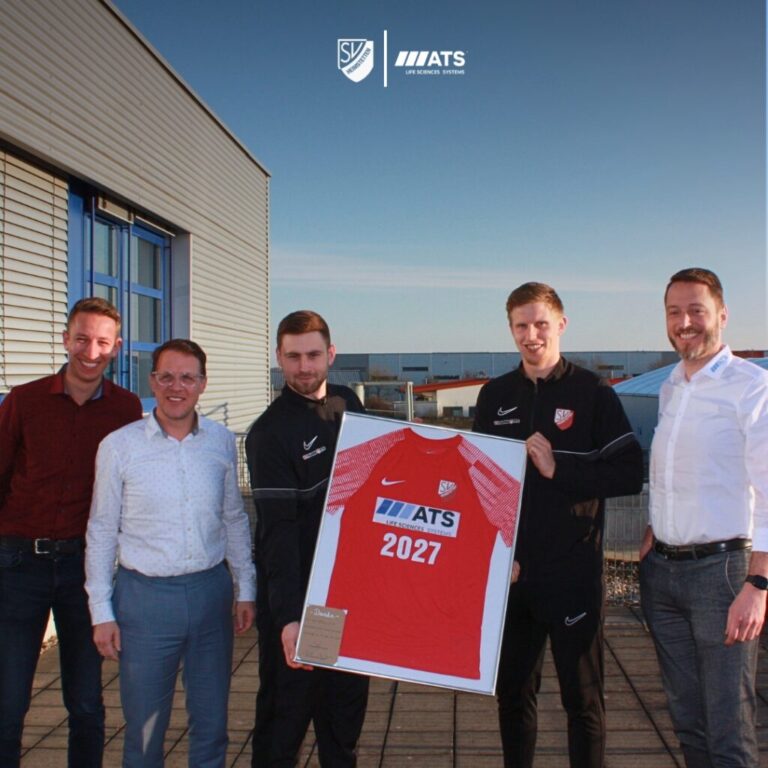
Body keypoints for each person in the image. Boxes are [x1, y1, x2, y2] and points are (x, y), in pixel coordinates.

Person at [473, 282, 643, 768]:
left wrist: (558, 469)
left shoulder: (592, 393)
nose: (531, 335)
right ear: (510, 329)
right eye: (521, 326)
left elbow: (629, 472)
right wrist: (494, 555)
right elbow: (479, 484)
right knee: (512, 696)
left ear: (561, 324)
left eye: (541, 324)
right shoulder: (494, 395)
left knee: (582, 701)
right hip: (514, 578)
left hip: (572, 577)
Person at [85, 338, 256, 768]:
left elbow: (233, 518)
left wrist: (246, 588)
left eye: (187, 377)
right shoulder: (119, 446)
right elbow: (101, 530)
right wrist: (101, 611)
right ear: (152, 381)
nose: (176, 387)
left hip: (211, 593)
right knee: (144, 732)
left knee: (212, 725)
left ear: (202, 383)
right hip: (144, 601)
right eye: (166, 377)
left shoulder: (221, 442)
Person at [0, 297, 142, 768]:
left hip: (85, 569)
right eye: (81, 339)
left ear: (116, 347)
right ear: (65, 339)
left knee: (85, 703)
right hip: (18, 565)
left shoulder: (125, 409)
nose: (90, 351)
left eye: (102, 342)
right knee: (8, 703)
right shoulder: (24, 400)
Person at [639, 268, 768, 768]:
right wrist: (655, 527)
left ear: (722, 315)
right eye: (674, 312)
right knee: (686, 719)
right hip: (662, 573)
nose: (684, 322)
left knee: (728, 726)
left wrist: (759, 583)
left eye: (696, 310)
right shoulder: (672, 385)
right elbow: (679, 471)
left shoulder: (752, 387)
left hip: (723, 576)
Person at [246, 310, 369, 767]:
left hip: (348, 598)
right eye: (293, 356)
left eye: (313, 355)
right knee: (284, 729)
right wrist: (290, 619)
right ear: (279, 358)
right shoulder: (269, 433)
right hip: (305, 605)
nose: (304, 367)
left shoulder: (347, 404)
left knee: (342, 729)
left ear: (331, 354)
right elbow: (277, 536)